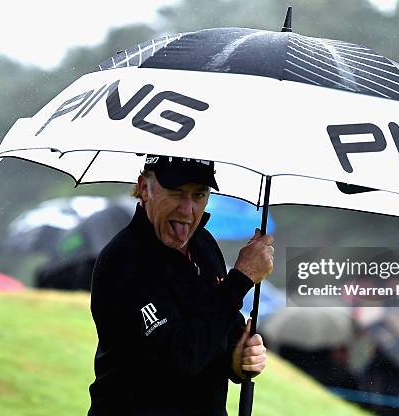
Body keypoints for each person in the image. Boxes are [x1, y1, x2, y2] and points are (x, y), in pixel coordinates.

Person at [87, 155, 274, 415]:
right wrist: (240, 280)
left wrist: (237, 359)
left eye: (199, 195)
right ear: (144, 188)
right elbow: (179, 358)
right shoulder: (124, 259)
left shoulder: (205, 245)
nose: (187, 210)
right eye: (176, 193)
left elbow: (220, 332)